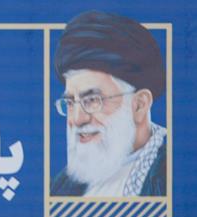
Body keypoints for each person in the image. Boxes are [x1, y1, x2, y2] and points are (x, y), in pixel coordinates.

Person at [51, 10, 167, 197]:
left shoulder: (170, 174)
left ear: (139, 105)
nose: (77, 119)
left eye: (92, 100)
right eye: (70, 102)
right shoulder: (61, 186)